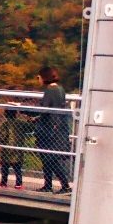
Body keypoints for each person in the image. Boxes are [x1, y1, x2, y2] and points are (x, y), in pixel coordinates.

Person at [33, 65, 72, 193]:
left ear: (44, 77)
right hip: (58, 128)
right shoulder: (60, 89)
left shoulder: (50, 90)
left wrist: (27, 111)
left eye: (38, 77)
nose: (37, 79)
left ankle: (64, 186)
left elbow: (44, 109)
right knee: (49, 159)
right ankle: (49, 185)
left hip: (49, 131)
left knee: (50, 159)